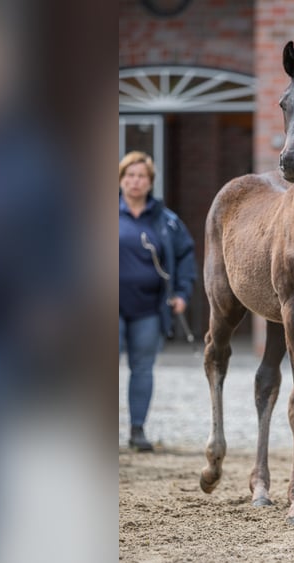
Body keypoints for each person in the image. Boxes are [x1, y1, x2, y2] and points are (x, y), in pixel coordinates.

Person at [119, 151, 197, 451]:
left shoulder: (166, 221)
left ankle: (137, 430)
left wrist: (182, 293)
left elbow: (185, 256)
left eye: (141, 176)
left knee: (142, 367)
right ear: (121, 180)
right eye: (129, 176)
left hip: (149, 308)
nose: (135, 181)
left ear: (150, 182)